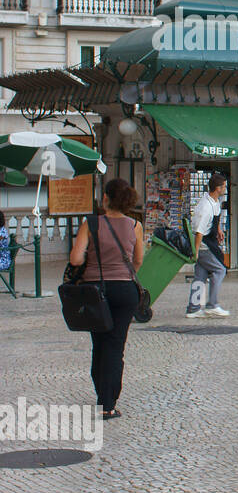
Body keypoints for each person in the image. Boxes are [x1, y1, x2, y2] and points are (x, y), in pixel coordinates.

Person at [68, 179, 144, 420]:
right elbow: (139, 260)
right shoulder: (135, 225)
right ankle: (109, 402)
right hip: (124, 290)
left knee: (99, 343)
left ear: (106, 199)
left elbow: (76, 260)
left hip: (94, 292)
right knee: (115, 345)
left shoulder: (90, 224)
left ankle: (103, 395)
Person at [187, 172, 230, 318]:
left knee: (200, 274)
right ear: (218, 188)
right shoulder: (205, 206)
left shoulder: (214, 200)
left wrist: (218, 230)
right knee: (220, 270)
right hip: (204, 243)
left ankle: (193, 308)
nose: (225, 188)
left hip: (209, 240)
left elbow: (215, 217)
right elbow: (199, 231)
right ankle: (212, 304)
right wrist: (196, 251)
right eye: (224, 186)